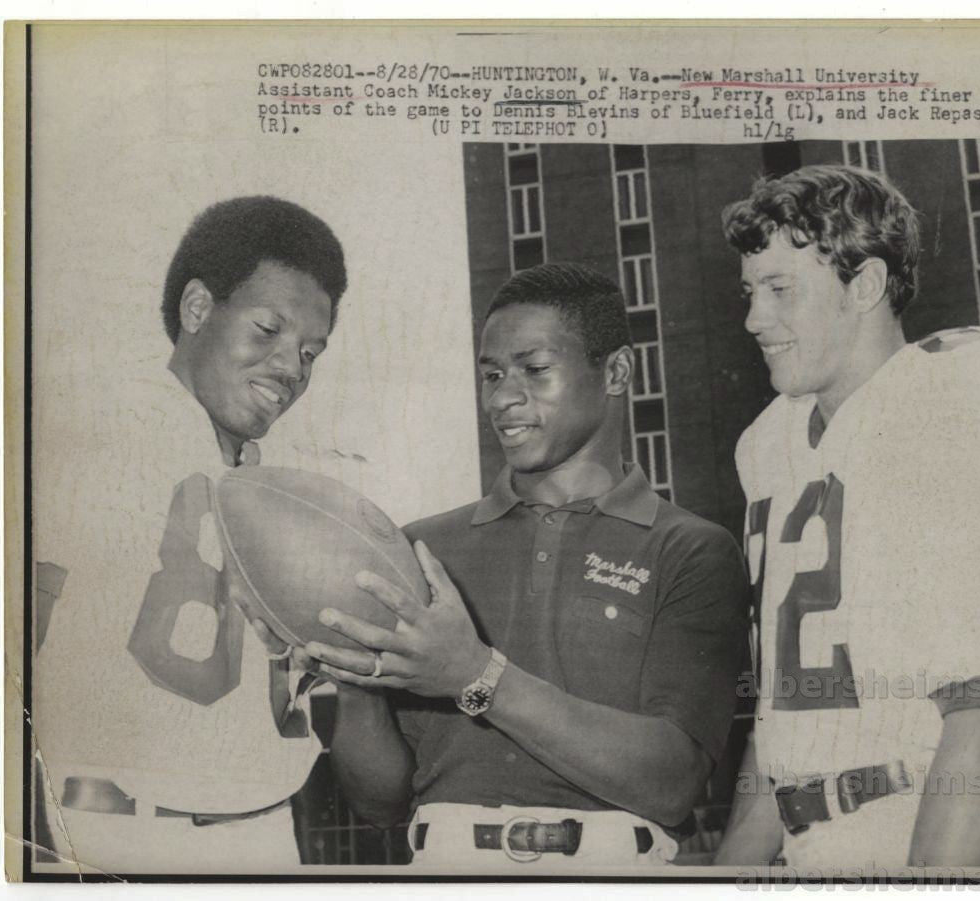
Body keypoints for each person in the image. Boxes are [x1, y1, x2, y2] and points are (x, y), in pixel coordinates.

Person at [301, 262, 750, 869]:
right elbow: (380, 805)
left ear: (616, 371)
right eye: (491, 375)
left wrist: (475, 675)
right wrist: (357, 689)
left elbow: (673, 782)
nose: (503, 398)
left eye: (535, 370)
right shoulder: (423, 552)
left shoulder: (691, 549)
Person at [712, 165, 980, 870]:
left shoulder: (954, 397)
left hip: (923, 829)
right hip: (804, 849)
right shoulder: (767, 443)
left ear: (864, 285)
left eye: (781, 290)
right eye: (750, 291)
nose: (753, 318)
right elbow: (784, 721)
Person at [33, 196, 348, 874]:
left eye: (310, 351)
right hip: (120, 827)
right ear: (199, 308)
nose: (291, 367)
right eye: (268, 329)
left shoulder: (265, 486)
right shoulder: (93, 428)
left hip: (265, 832)